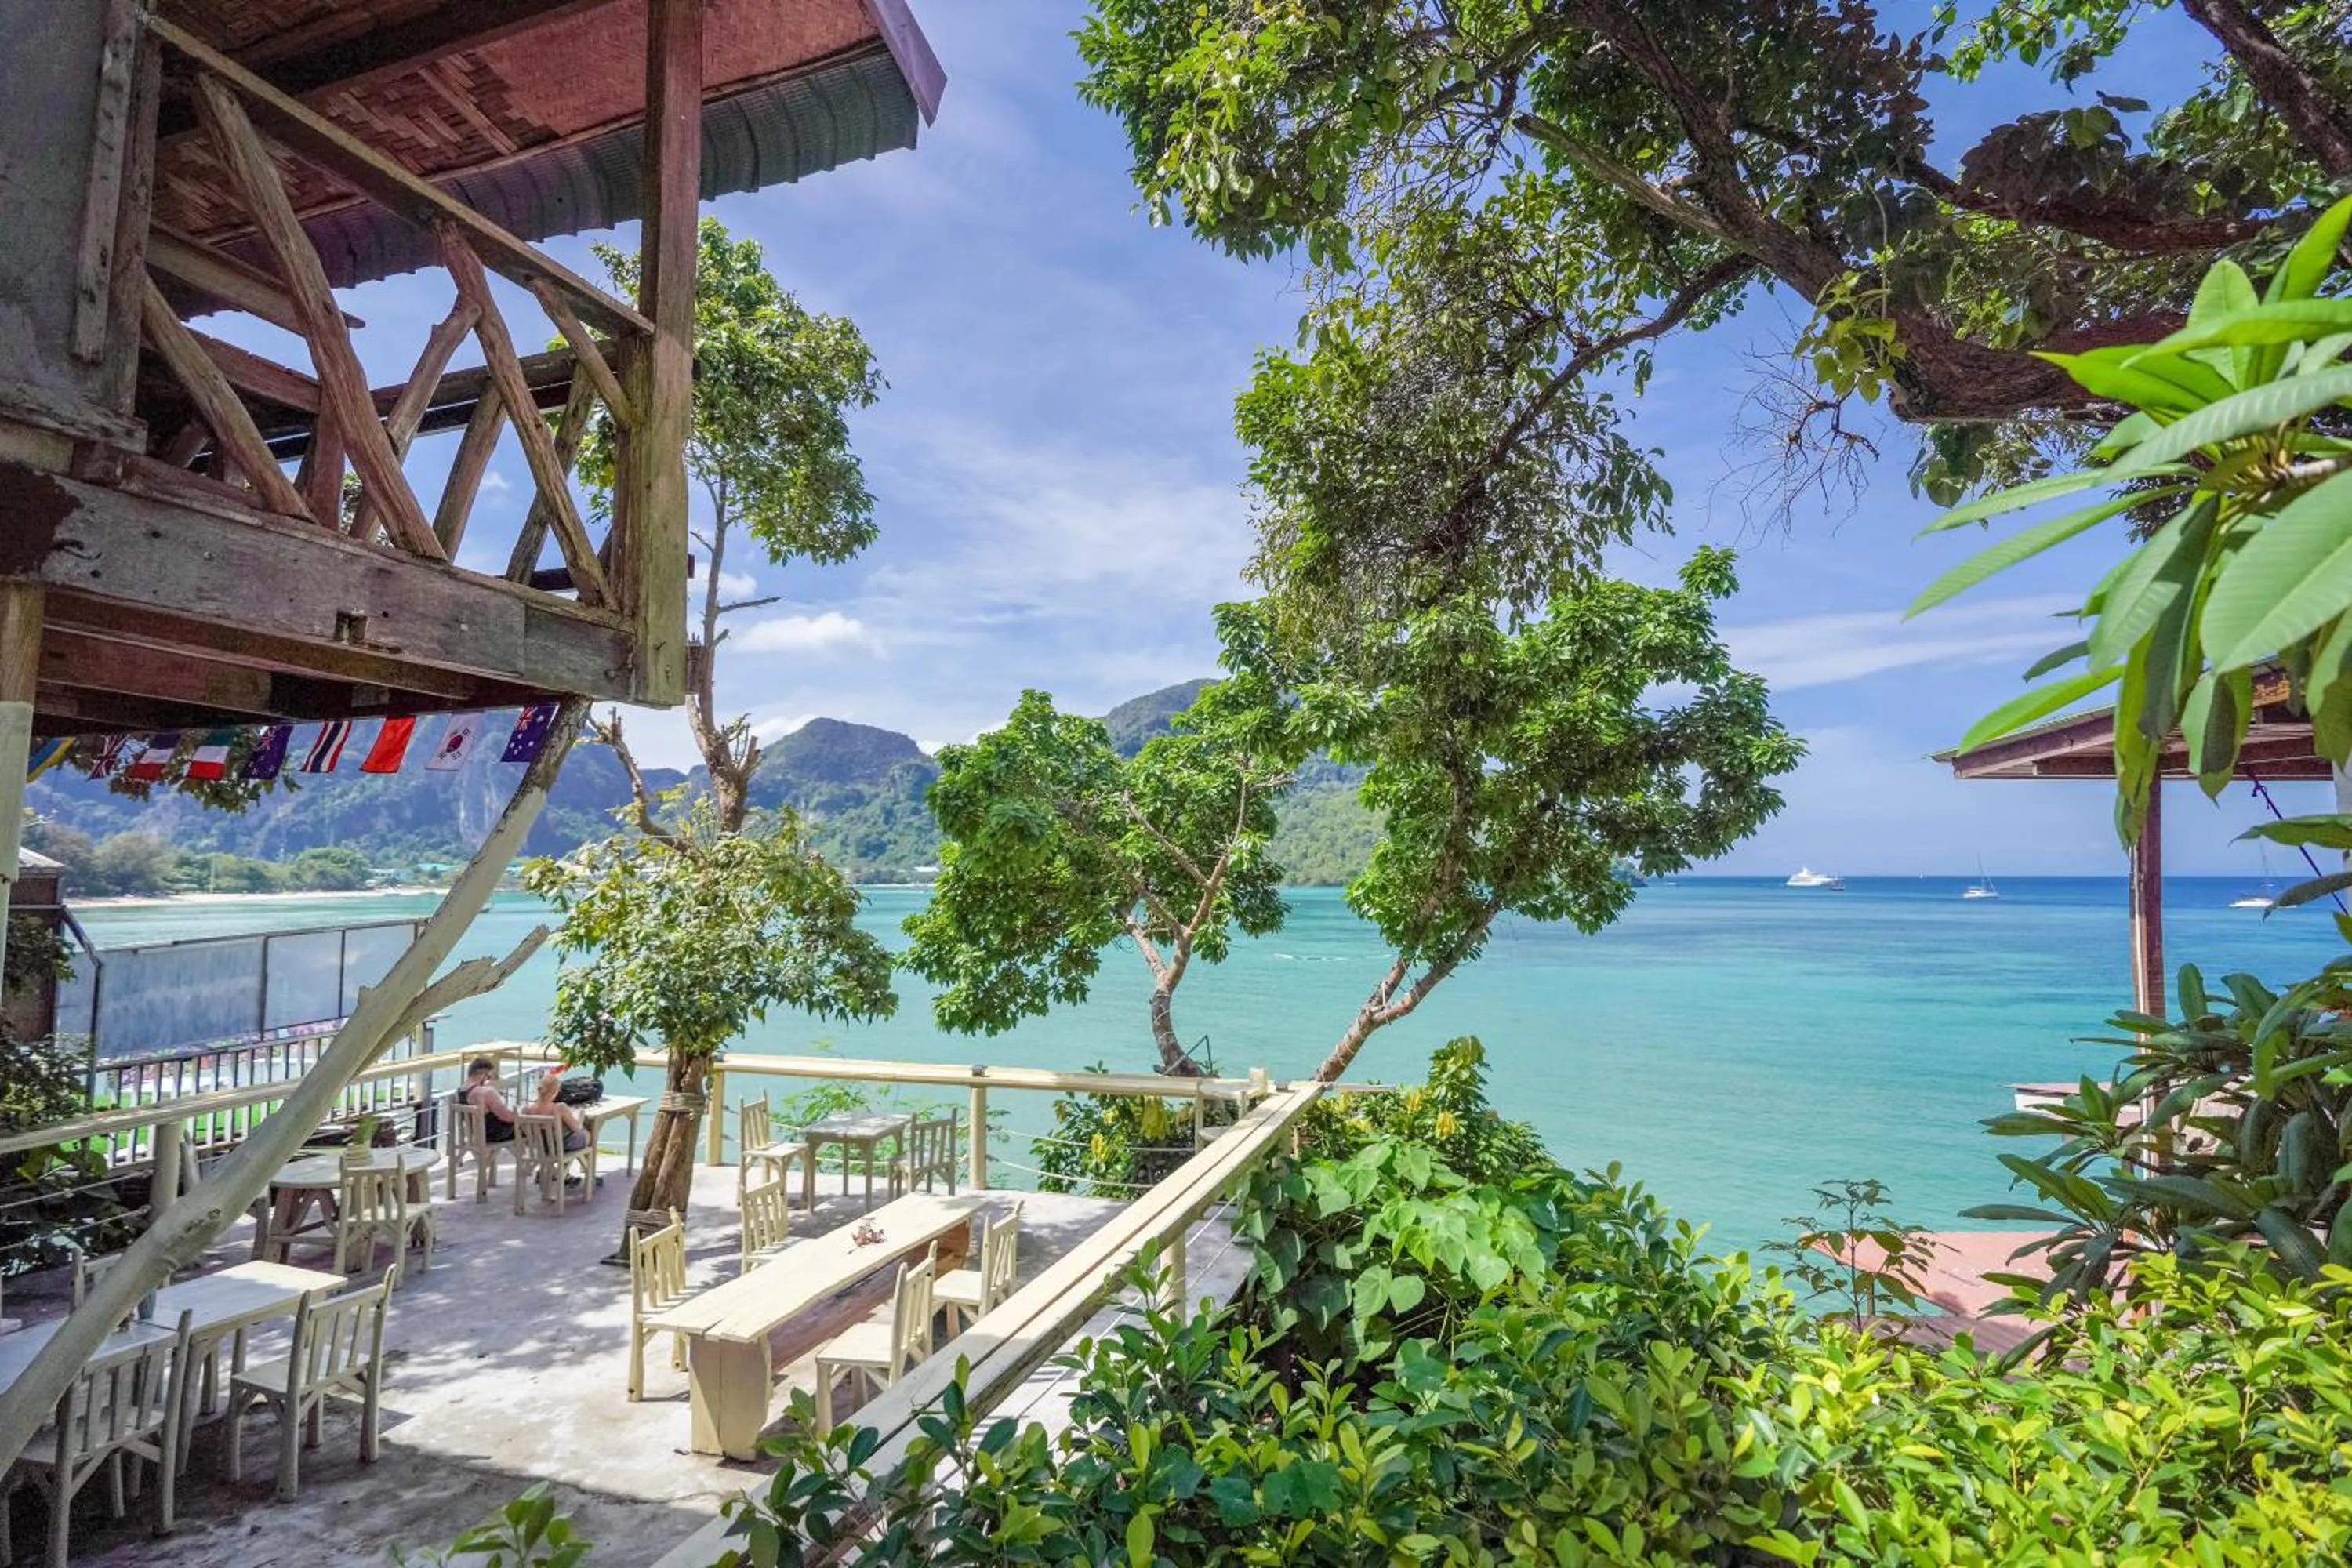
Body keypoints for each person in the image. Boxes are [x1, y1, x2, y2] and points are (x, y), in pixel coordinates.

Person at [462, 1058, 599, 1186]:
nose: (489, 1080)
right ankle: (564, 1173)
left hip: (477, 1133)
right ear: (483, 1074)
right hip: (496, 1133)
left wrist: (527, 1112)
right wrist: (520, 1113)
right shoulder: (486, 1092)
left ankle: (552, 1170)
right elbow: (507, 1117)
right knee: (569, 1132)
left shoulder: (462, 1091)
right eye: (489, 1076)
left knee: (537, 1129)